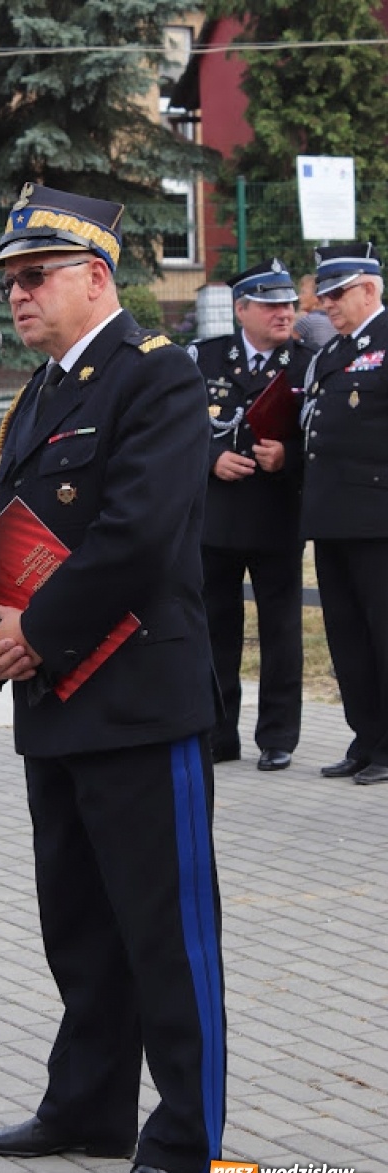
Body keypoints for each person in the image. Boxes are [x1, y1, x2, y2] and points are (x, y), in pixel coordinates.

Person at [0, 182, 225, 1173]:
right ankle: (88, 1104)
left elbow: (137, 537)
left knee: (165, 933)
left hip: (137, 694)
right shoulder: (40, 393)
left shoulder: (156, 379)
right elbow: (14, 540)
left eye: (35, 278)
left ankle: (190, 1149)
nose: (17, 297)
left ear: (95, 278)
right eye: (10, 282)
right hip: (54, 695)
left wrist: (38, 632)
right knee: (76, 922)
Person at [188, 259, 313, 772]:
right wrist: (211, 460)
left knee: (281, 630)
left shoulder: (309, 362)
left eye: (288, 303)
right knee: (216, 628)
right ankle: (219, 733)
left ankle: (279, 735)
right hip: (216, 519)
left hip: (278, 517)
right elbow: (174, 431)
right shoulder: (203, 358)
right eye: (271, 304)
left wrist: (288, 455)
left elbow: (327, 438)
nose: (285, 313)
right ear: (242, 309)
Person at [301, 242, 388, 785]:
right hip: (331, 518)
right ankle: (366, 735)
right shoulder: (332, 354)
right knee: (347, 637)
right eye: (324, 295)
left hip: (379, 520)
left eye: (337, 294)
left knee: (384, 634)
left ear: (370, 289)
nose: (326, 305)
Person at [293, 273, 336, 351]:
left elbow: (287, 348)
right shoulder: (335, 320)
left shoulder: (306, 322)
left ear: (317, 296)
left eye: (303, 292)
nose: (299, 297)